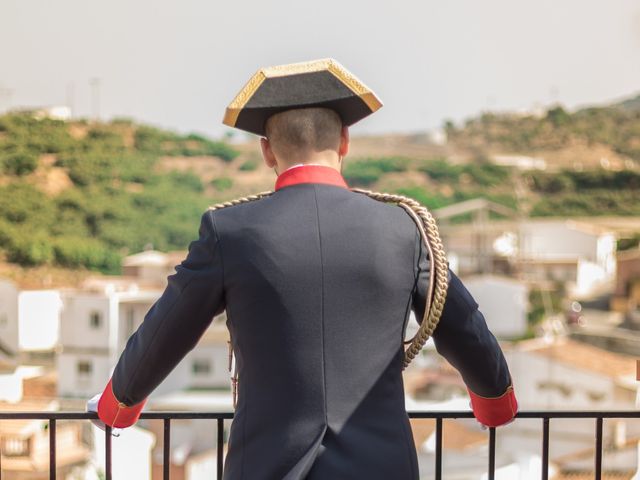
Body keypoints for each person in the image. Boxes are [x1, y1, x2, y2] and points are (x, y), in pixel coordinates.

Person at [88, 58, 517, 479]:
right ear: (345, 141)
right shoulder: (402, 228)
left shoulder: (229, 231)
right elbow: (462, 326)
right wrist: (494, 403)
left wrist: (118, 407)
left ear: (266, 150)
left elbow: (167, 330)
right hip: (381, 468)